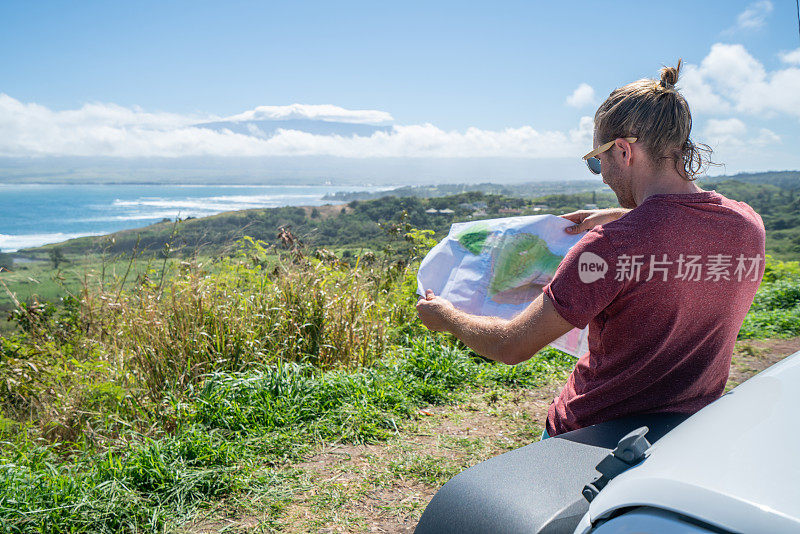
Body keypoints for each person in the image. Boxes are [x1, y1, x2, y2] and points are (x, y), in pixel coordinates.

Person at [416, 61, 766, 437]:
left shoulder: (608, 248)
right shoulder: (746, 225)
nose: (602, 173)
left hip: (593, 434)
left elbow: (512, 345)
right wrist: (621, 214)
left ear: (622, 151)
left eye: (597, 162)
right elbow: (679, 236)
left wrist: (447, 317)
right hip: (688, 428)